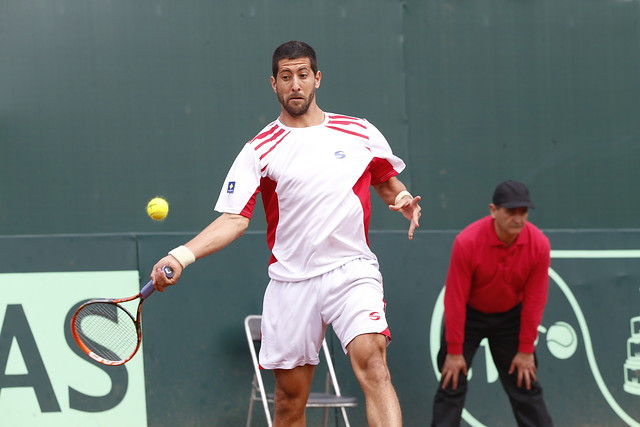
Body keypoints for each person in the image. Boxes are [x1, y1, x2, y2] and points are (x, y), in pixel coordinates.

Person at [150, 41, 421, 427]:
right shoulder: (259, 150)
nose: (295, 84)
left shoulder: (357, 131)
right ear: (274, 84)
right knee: (290, 403)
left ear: (317, 79)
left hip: (351, 270)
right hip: (292, 283)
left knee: (374, 363)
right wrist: (180, 256)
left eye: (303, 75)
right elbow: (234, 219)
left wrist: (405, 197)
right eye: (286, 76)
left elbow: (385, 179)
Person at [431, 180, 553, 427]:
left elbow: (535, 299)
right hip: (468, 318)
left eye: (523, 212)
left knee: (525, 383)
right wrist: (455, 351)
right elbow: (455, 299)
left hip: (510, 319)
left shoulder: (539, 244)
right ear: (493, 210)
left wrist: (526, 349)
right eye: (511, 212)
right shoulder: (467, 242)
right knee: (451, 382)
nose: (518, 219)